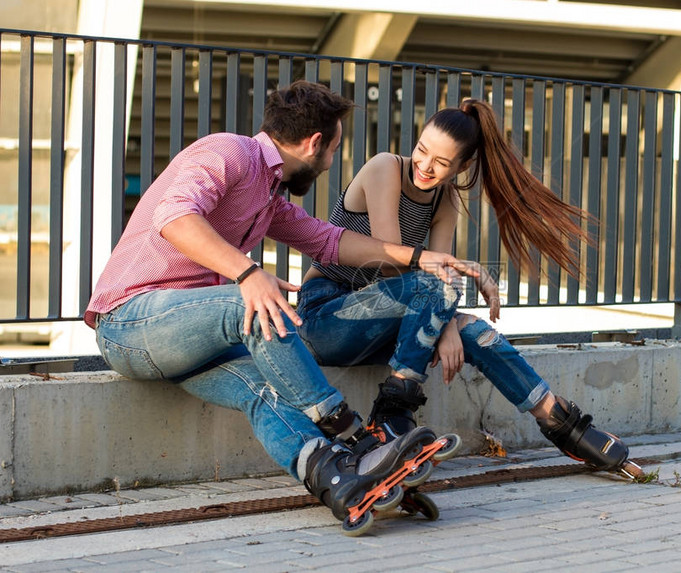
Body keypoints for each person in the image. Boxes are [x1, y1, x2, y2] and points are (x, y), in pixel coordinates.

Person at [85, 81, 484, 527]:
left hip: (192, 342)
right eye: (333, 150)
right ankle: (356, 436)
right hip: (130, 323)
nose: (332, 161)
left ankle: (341, 480)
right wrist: (249, 274)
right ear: (315, 143)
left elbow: (330, 241)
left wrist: (421, 258)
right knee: (252, 304)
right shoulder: (226, 152)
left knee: (265, 391)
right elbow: (174, 216)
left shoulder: (267, 197)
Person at [296, 98, 640, 478]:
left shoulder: (445, 200)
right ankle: (393, 411)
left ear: (462, 166)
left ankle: (559, 422)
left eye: (441, 163)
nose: (425, 166)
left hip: (386, 322)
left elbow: (434, 281)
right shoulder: (385, 168)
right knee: (445, 290)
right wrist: (447, 320)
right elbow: (392, 262)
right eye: (422, 151)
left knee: (475, 332)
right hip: (327, 316)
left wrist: (449, 324)